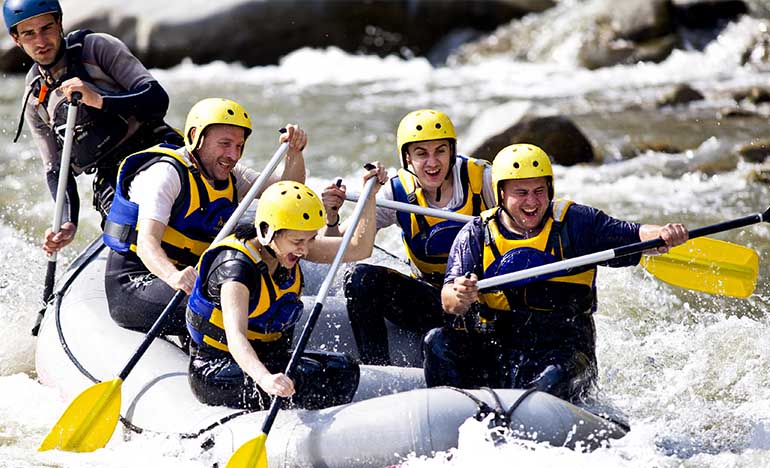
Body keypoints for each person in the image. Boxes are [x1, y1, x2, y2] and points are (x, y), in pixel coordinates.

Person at [424, 143, 689, 402]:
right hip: (498, 349)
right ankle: (454, 409)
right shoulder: (476, 233)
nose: (532, 202)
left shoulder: (576, 223)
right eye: (521, 192)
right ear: (501, 193)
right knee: (437, 341)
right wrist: (461, 295)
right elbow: (449, 300)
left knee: (550, 379)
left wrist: (663, 234)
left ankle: (532, 409)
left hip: (564, 352)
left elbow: (636, 235)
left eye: (539, 191)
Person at [102, 97, 308, 337]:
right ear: (195, 137)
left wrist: (294, 153)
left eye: (239, 146)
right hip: (137, 282)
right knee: (234, 304)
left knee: (265, 296)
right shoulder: (166, 174)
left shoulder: (232, 175)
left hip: (190, 278)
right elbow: (147, 243)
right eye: (225, 144)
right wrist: (173, 276)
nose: (233, 155)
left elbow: (287, 193)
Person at [186, 168, 387, 410]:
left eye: (311, 239)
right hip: (218, 367)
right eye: (298, 241)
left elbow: (358, 248)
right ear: (267, 231)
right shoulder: (235, 269)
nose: (305, 250)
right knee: (306, 377)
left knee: (343, 369)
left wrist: (370, 195)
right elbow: (236, 337)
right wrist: (265, 379)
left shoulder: (286, 247)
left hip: (268, 357)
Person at [3, 0, 183, 254]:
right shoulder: (35, 99)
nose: (41, 41)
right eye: (29, 34)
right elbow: (55, 169)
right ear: (16, 39)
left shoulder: (97, 49)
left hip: (155, 148)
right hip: (112, 177)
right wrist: (68, 222)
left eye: (46, 28)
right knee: (123, 243)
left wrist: (98, 100)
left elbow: (157, 99)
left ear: (59, 23)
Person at [322, 109, 495, 365]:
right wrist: (332, 216)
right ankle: (377, 368)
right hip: (432, 300)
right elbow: (340, 247)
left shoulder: (485, 179)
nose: (432, 163)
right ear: (407, 158)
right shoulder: (397, 192)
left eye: (440, 151)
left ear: (452, 151)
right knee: (360, 278)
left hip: (483, 302)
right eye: (421, 153)